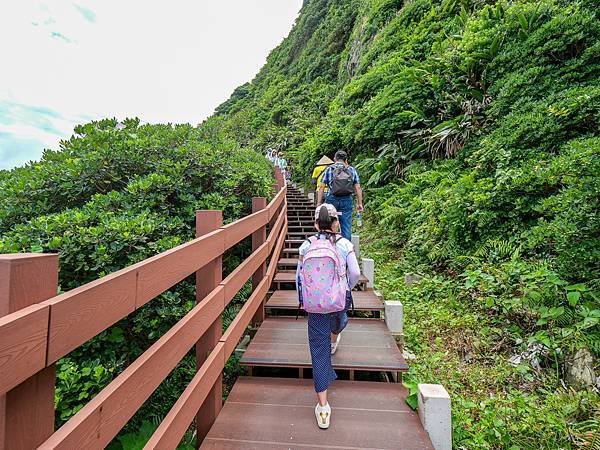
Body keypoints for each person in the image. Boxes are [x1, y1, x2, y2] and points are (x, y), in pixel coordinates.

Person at [296, 204, 361, 429]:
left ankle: (323, 407)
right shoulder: (344, 244)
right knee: (340, 322)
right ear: (335, 223)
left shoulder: (306, 246)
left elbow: (300, 277)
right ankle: (335, 336)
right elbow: (355, 273)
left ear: (315, 224)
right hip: (337, 299)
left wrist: (303, 299)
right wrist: (346, 289)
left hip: (315, 305)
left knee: (318, 350)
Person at [317, 150, 363, 240]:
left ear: (335, 159)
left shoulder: (329, 169)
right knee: (346, 226)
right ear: (346, 160)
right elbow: (358, 187)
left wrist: (319, 203)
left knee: (329, 224)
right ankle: (346, 250)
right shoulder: (351, 169)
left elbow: (321, 187)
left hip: (331, 200)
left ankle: (330, 247)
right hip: (346, 200)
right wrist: (359, 203)